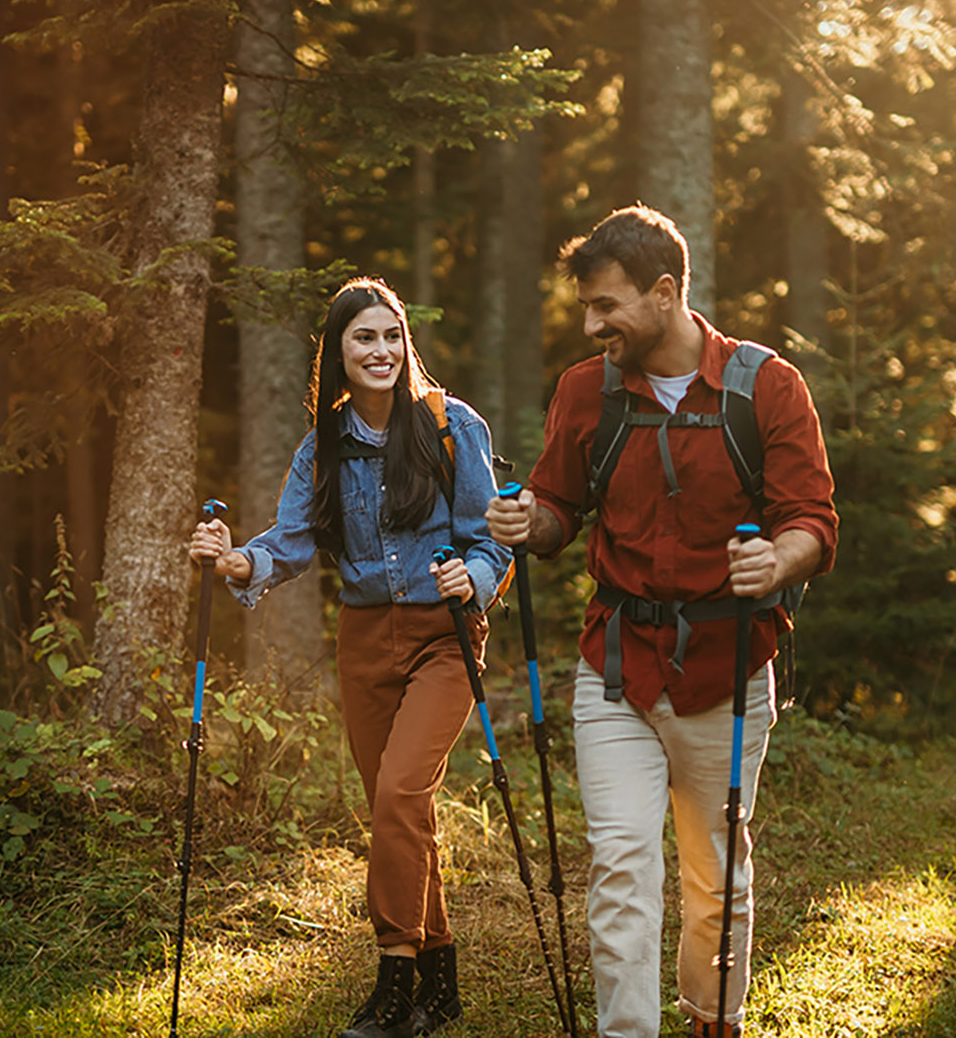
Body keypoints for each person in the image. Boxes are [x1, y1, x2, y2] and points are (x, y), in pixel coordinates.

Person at [486, 206, 838, 1038]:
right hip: (616, 668)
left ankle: (712, 1016)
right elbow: (558, 511)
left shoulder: (767, 385)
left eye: (606, 305)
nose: (590, 323)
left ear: (666, 292)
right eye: (586, 306)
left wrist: (775, 562)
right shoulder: (586, 390)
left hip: (728, 665)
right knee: (621, 863)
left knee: (717, 871)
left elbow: (812, 523)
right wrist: (526, 521)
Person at [189, 277, 511, 1038]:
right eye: (365, 338)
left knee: (401, 793)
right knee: (400, 809)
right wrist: (235, 561)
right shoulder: (322, 447)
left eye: (392, 335)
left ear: (407, 343)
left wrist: (478, 576)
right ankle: (444, 976)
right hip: (365, 639)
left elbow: (490, 535)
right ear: (338, 352)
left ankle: (395, 978)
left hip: (444, 636)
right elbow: (289, 543)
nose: (382, 350)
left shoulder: (451, 426)